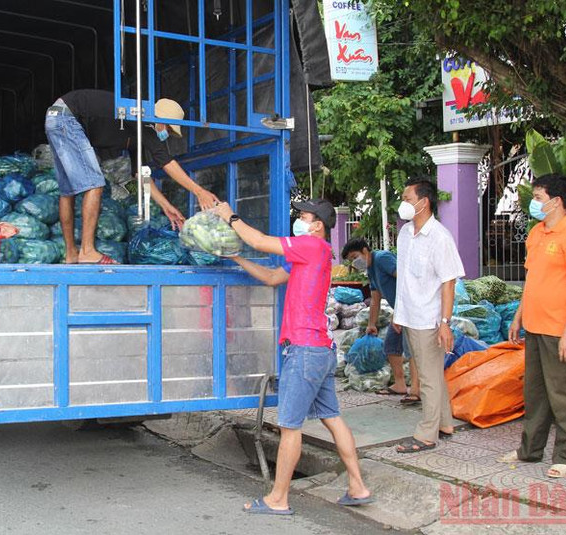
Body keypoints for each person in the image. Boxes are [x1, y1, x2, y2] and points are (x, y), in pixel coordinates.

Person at [211, 198, 372, 515]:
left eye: (304, 216)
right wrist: (236, 258)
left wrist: (229, 215)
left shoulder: (310, 246)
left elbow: (258, 240)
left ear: (317, 226)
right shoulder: (313, 253)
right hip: (321, 350)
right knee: (332, 418)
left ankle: (278, 498)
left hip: (304, 350)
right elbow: (272, 278)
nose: (298, 219)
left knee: (290, 427)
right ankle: (358, 486)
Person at [45, 89, 219, 264]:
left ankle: (71, 254)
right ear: (160, 118)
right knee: (95, 184)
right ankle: (87, 251)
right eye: (167, 127)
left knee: (67, 191)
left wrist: (166, 205)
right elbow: (166, 161)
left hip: (56, 117)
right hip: (67, 118)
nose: (165, 133)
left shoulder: (136, 130)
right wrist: (198, 191)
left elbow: (140, 174)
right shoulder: (142, 119)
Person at [500, 174, 566, 478]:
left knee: (565, 395)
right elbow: (532, 280)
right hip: (536, 327)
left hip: (561, 330)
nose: (534, 203)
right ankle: (530, 450)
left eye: (538, 197)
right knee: (536, 392)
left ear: (556, 201)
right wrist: (518, 317)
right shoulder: (537, 233)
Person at [393, 178, 464, 453]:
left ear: (423, 203)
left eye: (408, 199)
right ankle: (444, 423)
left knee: (428, 377)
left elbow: (449, 282)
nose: (404, 204)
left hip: (429, 318)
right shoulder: (404, 234)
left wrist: (445, 323)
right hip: (410, 314)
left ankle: (426, 434)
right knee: (432, 373)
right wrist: (399, 314)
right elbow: (404, 281)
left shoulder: (440, 237)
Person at [341, 238, 420, 404]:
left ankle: (416, 390)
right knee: (391, 345)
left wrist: (400, 311)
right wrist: (372, 324)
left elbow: (406, 280)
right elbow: (375, 299)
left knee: (410, 348)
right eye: (351, 261)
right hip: (399, 311)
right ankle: (400, 384)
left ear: (365, 250)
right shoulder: (370, 270)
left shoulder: (382, 258)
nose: (354, 263)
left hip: (411, 308)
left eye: (355, 257)